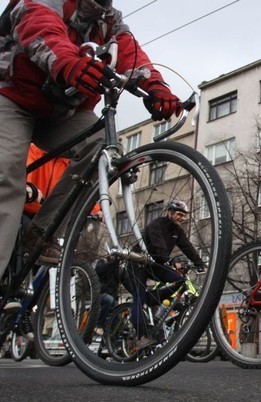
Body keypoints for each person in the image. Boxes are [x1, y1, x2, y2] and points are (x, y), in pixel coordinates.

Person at [0, 0, 182, 307]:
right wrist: (67, 62)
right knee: (7, 175)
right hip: (12, 96)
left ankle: (42, 234)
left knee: (105, 149)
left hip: (63, 110)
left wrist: (156, 87)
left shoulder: (109, 20)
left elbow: (130, 53)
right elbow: (42, 28)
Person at [129, 200, 206, 350]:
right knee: (139, 296)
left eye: (184, 216)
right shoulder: (157, 224)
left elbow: (187, 247)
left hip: (154, 264)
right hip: (137, 261)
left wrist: (200, 263)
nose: (182, 218)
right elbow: (159, 246)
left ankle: (152, 299)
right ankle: (141, 337)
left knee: (180, 280)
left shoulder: (178, 232)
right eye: (179, 214)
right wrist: (170, 260)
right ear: (170, 213)